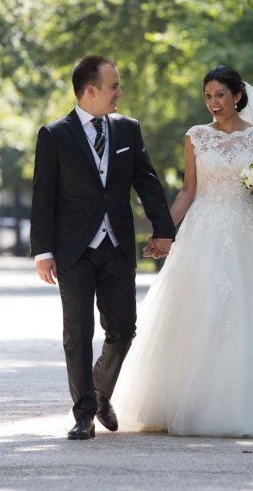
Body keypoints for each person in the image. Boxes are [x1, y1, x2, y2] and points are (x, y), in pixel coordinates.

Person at [113, 65, 253, 438]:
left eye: (219, 95)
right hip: (202, 234)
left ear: (237, 95)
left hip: (248, 235)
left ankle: (246, 405)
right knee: (201, 310)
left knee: (250, 313)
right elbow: (188, 191)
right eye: (207, 96)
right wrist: (164, 231)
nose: (213, 103)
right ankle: (189, 403)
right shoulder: (196, 137)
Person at [30, 55, 175, 440]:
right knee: (77, 332)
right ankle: (84, 414)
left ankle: (100, 392)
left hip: (116, 245)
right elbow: (43, 196)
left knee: (123, 328)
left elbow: (147, 182)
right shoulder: (54, 135)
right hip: (73, 249)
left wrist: (164, 229)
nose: (119, 93)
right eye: (114, 86)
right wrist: (42, 251)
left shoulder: (128, 129)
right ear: (91, 90)